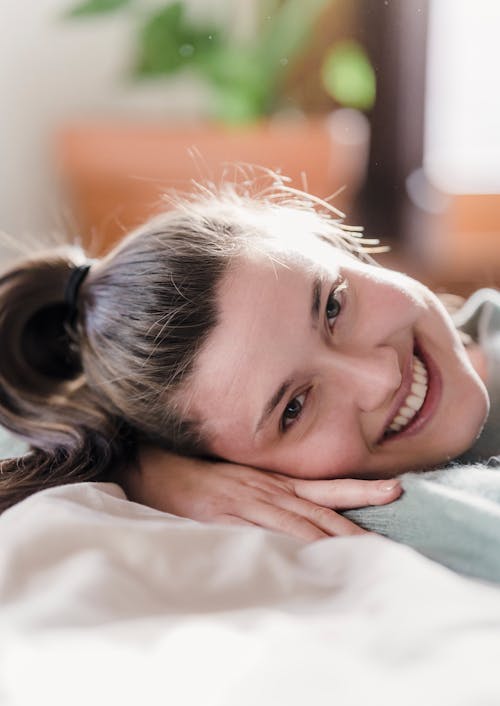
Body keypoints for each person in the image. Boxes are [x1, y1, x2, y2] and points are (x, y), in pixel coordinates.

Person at [0, 176, 499, 580]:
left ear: (333, 240)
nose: (382, 377)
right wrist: (141, 473)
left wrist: (147, 470)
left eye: (333, 305)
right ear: (247, 473)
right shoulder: (336, 510)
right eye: (294, 409)